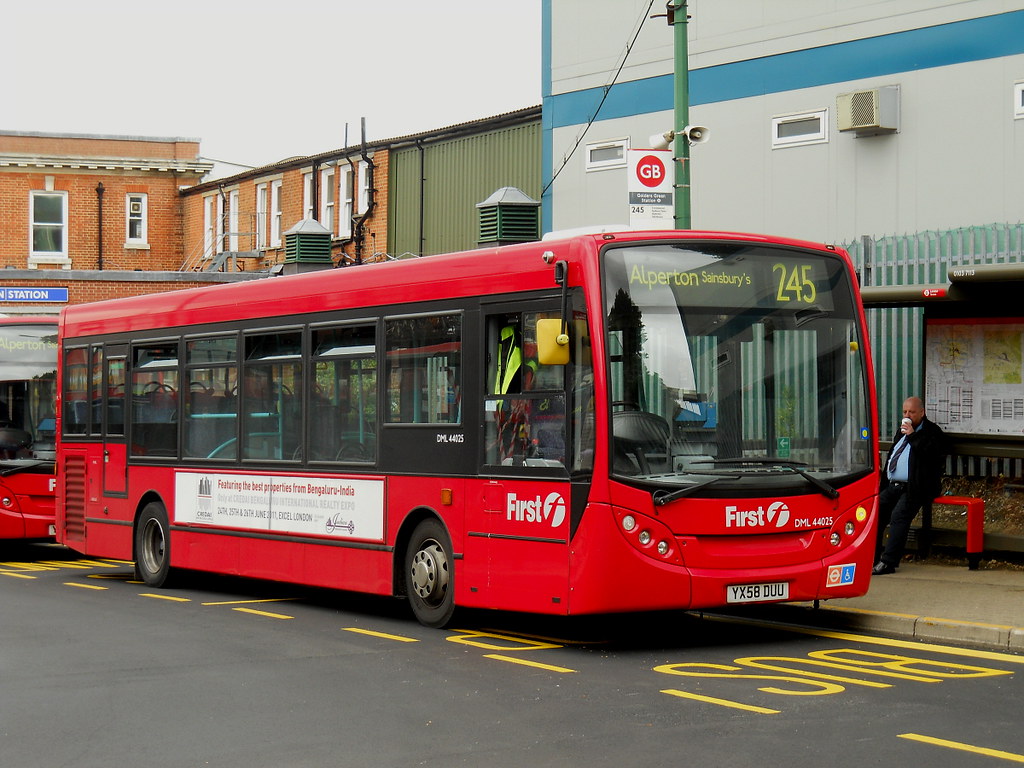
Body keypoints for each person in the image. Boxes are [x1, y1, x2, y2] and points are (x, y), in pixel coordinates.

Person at [873, 396, 947, 575]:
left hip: (916, 487)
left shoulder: (932, 432)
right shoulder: (901, 432)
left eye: (912, 412)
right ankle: (871, 556)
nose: (908, 415)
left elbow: (930, 455)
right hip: (894, 485)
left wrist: (913, 434)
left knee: (899, 516)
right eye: (905, 412)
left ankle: (888, 562)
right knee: (875, 513)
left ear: (922, 413)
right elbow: (894, 455)